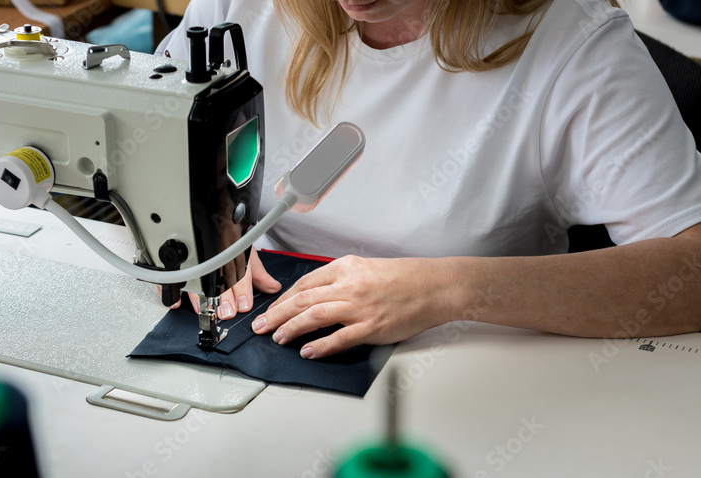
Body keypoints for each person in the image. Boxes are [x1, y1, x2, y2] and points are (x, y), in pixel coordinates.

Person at [158, 0, 701, 360]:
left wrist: (450, 289)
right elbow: (152, 129)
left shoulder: (575, 44)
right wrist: (205, 230)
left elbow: (692, 271)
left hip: (470, 374)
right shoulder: (242, 8)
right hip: (264, 332)